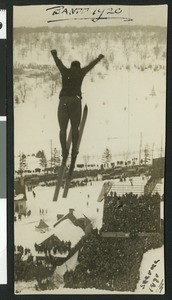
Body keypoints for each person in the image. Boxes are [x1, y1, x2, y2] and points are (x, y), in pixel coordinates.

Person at [51, 50, 104, 161]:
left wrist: (55, 55)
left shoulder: (65, 71)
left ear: (71, 66)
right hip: (75, 101)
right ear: (79, 67)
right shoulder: (80, 72)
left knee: (62, 129)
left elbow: (58, 63)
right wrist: (99, 58)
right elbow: (90, 65)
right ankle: (74, 150)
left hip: (63, 101)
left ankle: (64, 152)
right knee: (75, 128)